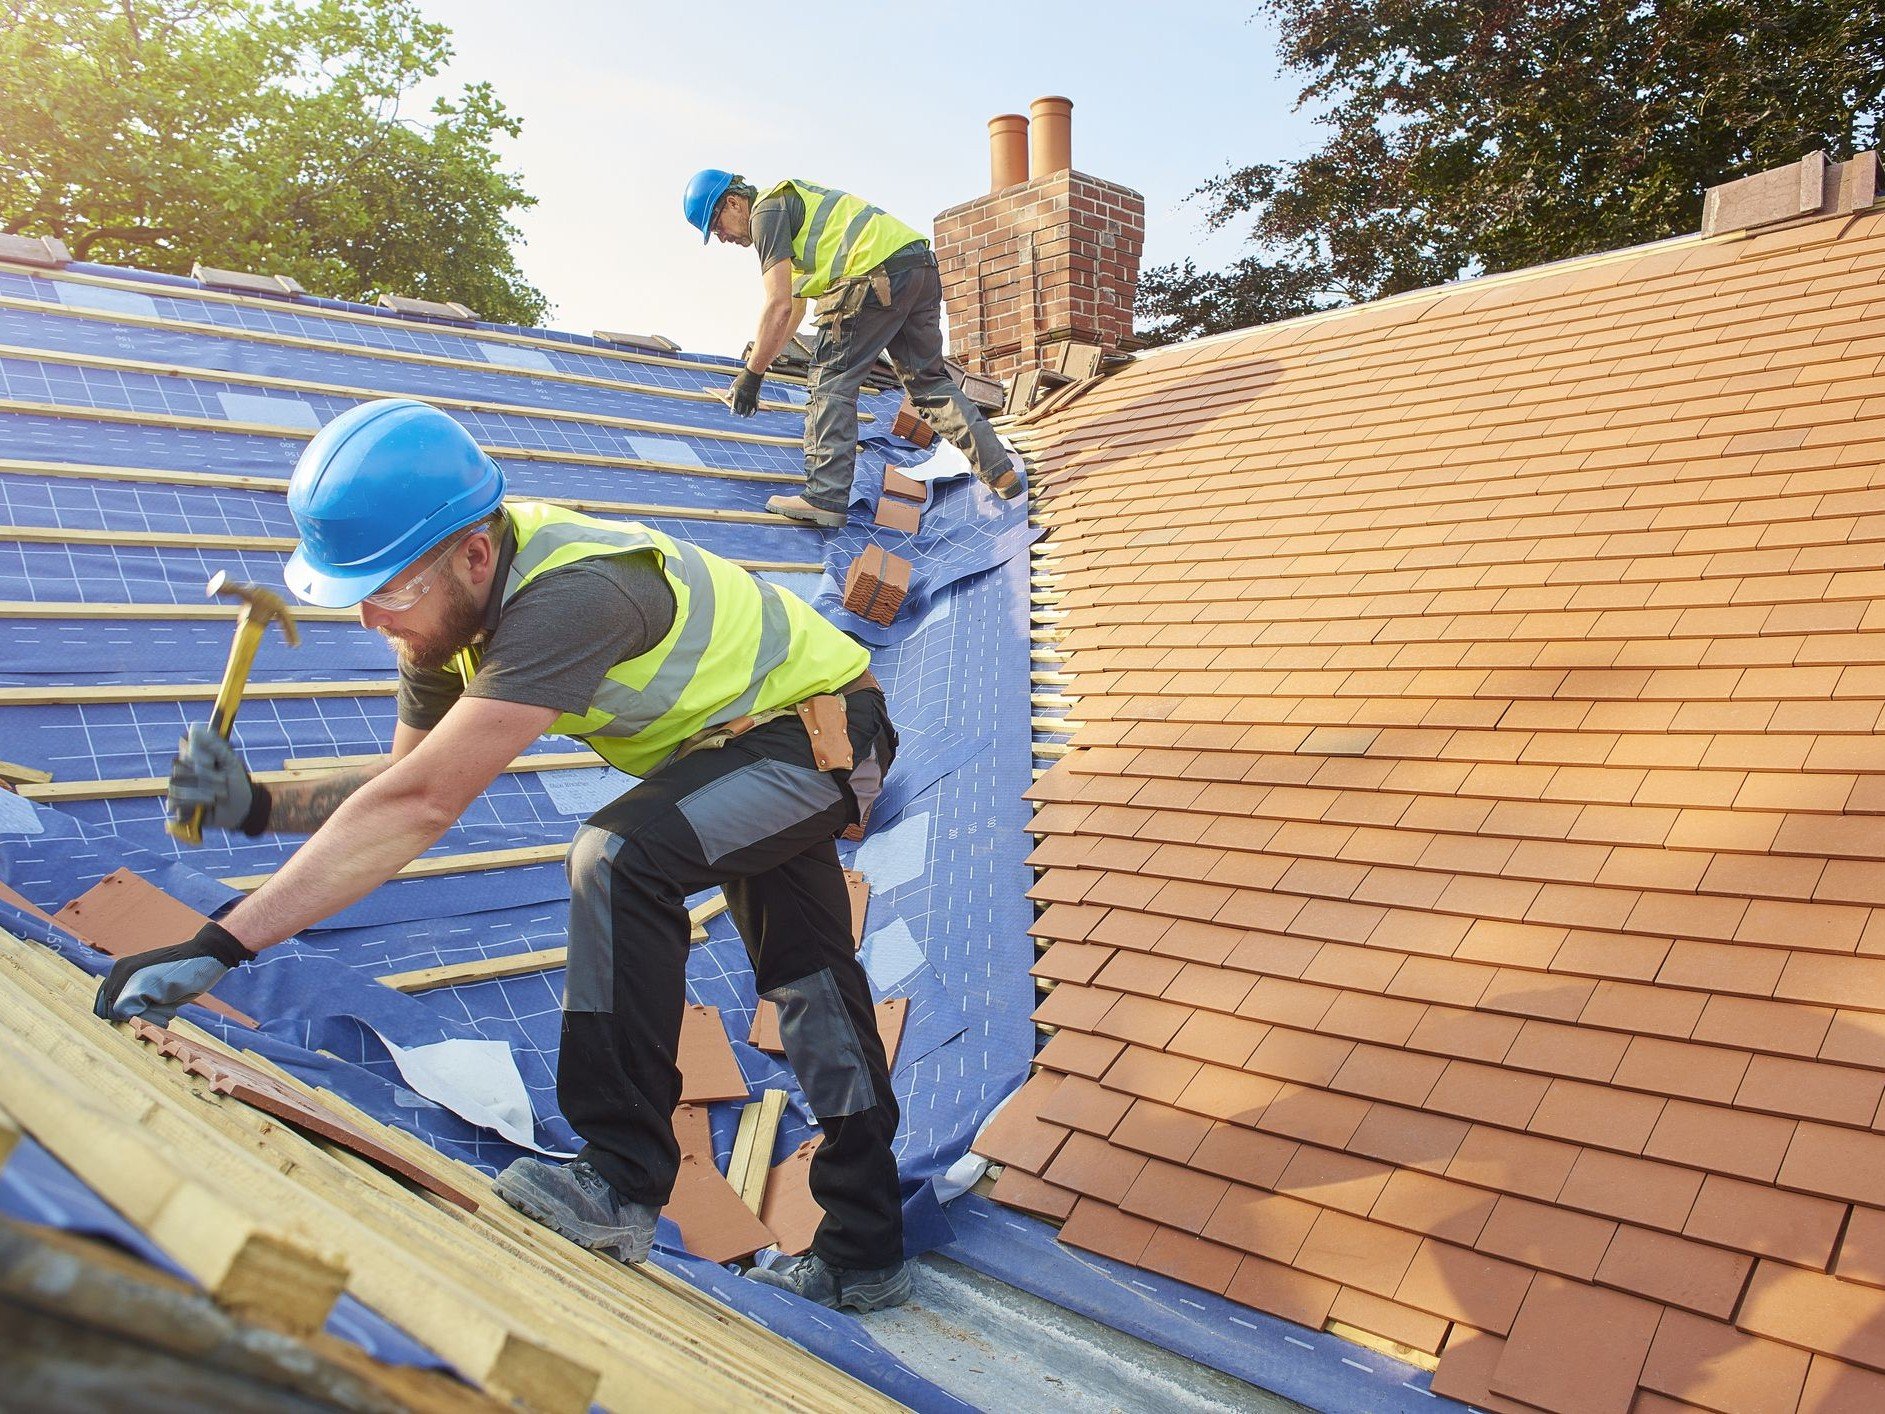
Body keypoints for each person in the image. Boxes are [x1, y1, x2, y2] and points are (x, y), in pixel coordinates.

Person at [95, 397, 911, 1313]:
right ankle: (866, 1248)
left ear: (474, 555)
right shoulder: (439, 620)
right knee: (809, 984)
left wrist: (219, 946)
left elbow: (417, 807)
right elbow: (404, 788)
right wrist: (258, 805)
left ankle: (618, 1179)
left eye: (389, 591)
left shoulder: (574, 595)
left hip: (819, 733)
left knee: (617, 858)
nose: (372, 619)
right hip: (735, 749)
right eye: (356, 594)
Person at [682, 168, 1023, 527]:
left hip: (872, 275)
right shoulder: (793, 217)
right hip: (918, 267)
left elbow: (777, 304)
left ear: (734, 202)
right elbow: (792, 311)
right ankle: (1001, 472)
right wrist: (759, 369)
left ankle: (824, 496)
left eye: (717, 225)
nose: (721, 238)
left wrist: (750, 376)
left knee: (830, 380)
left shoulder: (766, 213)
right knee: (929, 384)